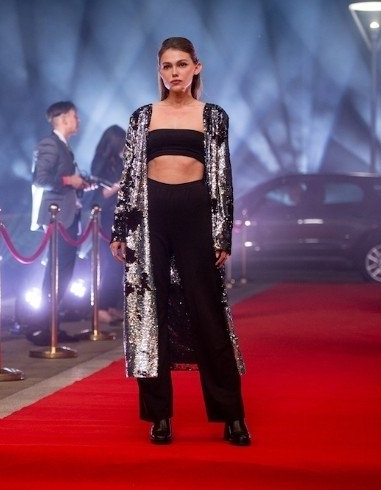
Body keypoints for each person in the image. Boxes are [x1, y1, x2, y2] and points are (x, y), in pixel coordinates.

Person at [109, 37, 250, 446]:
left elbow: (222, 176)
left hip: (195, 214)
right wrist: (120, 229)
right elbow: (130, 175)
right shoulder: (142, 117)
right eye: (167, 66)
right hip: (150, 216)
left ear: (196, 67)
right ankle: (159, 417)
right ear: (159, 71)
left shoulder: (213, 116)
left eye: (182, 64)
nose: (174, 72)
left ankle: (232, 416)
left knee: (208, 314)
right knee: (149, 314)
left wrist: (222, 232)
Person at [32, 101, 89, 330]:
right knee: (57, 270)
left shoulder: (64, 145)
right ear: (64, 118)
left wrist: (79, 184)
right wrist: (69, 180)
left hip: (67, 214)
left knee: (63, 270)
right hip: (58, 217)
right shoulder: (50, 144)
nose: (78, 120)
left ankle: (51, 324)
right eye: (75, 116)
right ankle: (46, 325)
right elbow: (40, 179)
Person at [88, 125, 126, 324]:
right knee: (109, 262)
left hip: (120, 213)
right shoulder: (100, 163)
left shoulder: (119, 161)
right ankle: (101, 306)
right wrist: (120, 184)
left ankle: (111, 304)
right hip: (106, 216)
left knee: (119, 263)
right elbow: (99, 194)